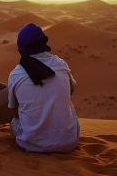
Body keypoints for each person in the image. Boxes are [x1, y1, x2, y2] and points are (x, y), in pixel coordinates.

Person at [8, 23, 79, 152]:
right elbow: (71, 89)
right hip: (68, 142)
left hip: (30, 143)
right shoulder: (61, 64)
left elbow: (13, 111)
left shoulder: (16, 74)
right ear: (43, 42)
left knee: (13, 122)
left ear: (20, 47)